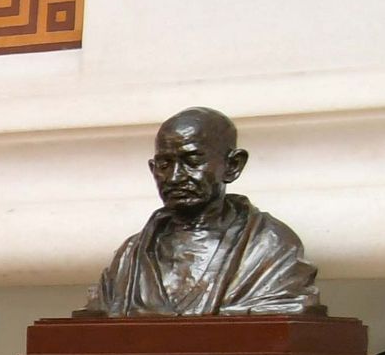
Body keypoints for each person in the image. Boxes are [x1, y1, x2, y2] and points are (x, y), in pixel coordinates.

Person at [92, 106, 318, 318]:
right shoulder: (129, 257)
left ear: (233, 165)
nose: (175, 177)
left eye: (192, 161)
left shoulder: (270, 246)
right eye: (164, 164)